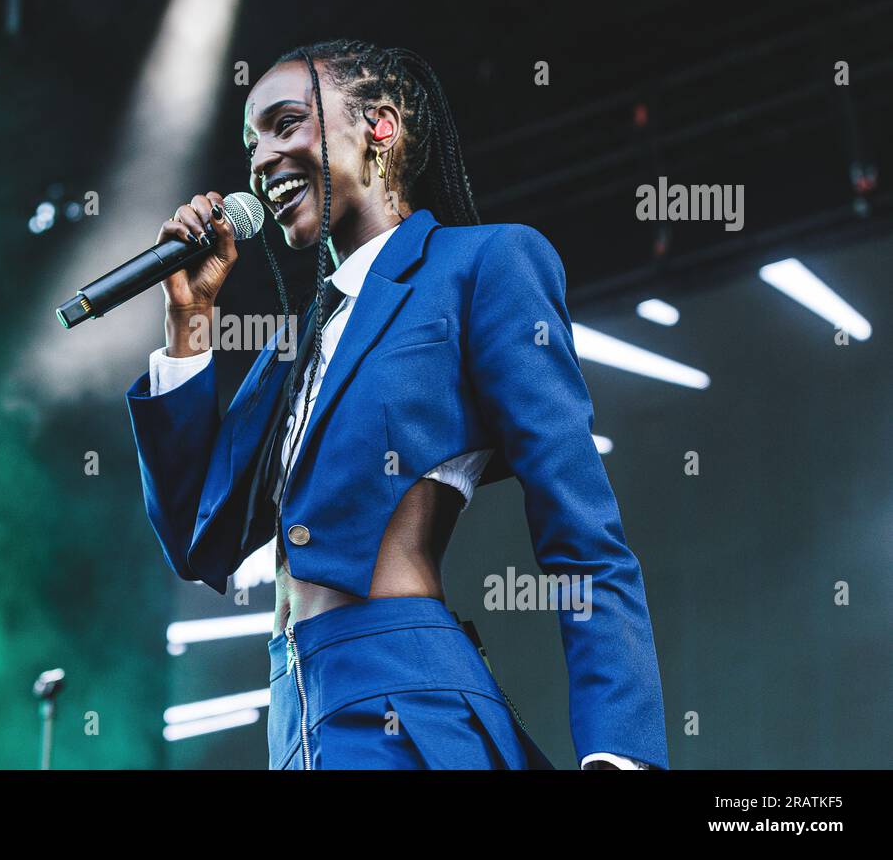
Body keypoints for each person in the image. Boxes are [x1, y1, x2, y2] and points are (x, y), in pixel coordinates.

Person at [126, 39, 667, 770]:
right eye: (252, 143)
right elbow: (197, 540)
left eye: (285, 124)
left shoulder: (480, 264)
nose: (261, 159)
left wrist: (621, 754)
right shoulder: (296, 345)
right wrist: (189, 320)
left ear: (380, 125)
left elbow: (582, 529)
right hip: (299, 722)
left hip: (406, 707)